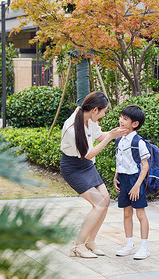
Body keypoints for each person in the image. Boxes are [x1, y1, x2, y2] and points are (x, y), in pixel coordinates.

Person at [61, 91, 127, 258]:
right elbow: (88, 154)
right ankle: (78, 245)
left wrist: (116, 133)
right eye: (104, 111)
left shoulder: (89, 118)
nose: (104, 115)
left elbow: (98, 136)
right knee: (98, 204)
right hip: (73, 167)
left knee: (105, 200)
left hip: (87, 166)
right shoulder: (72, 127)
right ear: (95, 109)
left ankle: (91, 241)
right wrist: (110, 137)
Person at [113, 105, 151, 260]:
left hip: (135, 179)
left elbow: (145, 165)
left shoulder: (138, 142)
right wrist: (116, 176)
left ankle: (144, 247)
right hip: (123, 178)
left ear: (135, 124)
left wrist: (137, 185)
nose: (121, 120)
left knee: (140, 213)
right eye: (121, 117)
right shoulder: (119, 139)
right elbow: (120, 160)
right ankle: (129, 244)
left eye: (125, 119)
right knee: (126, 213)